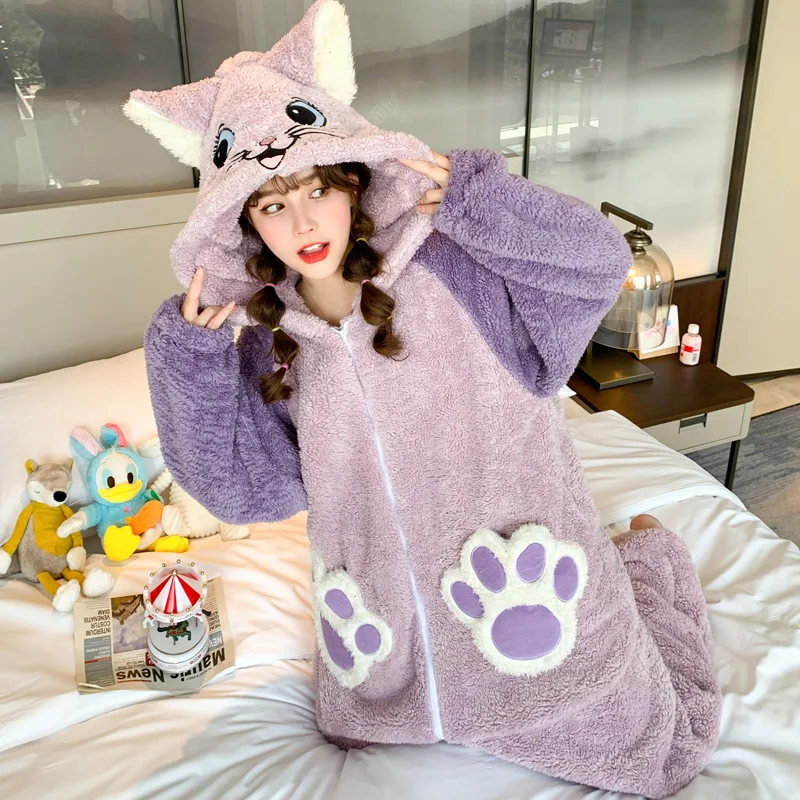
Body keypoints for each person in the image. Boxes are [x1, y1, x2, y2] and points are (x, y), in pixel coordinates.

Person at [127, 1, 721, 796]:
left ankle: (642, 563)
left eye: (315, 188)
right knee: (355, 727)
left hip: (523, 587)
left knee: (665, 757)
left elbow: (594, 266)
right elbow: (244, 491)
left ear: (352, 182)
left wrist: (488, 203)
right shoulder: (270, 339)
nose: (302, 221)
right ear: (246, 223)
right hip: (386, 650)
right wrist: (190, 363)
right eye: (271, 203)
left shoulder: (450, 262)